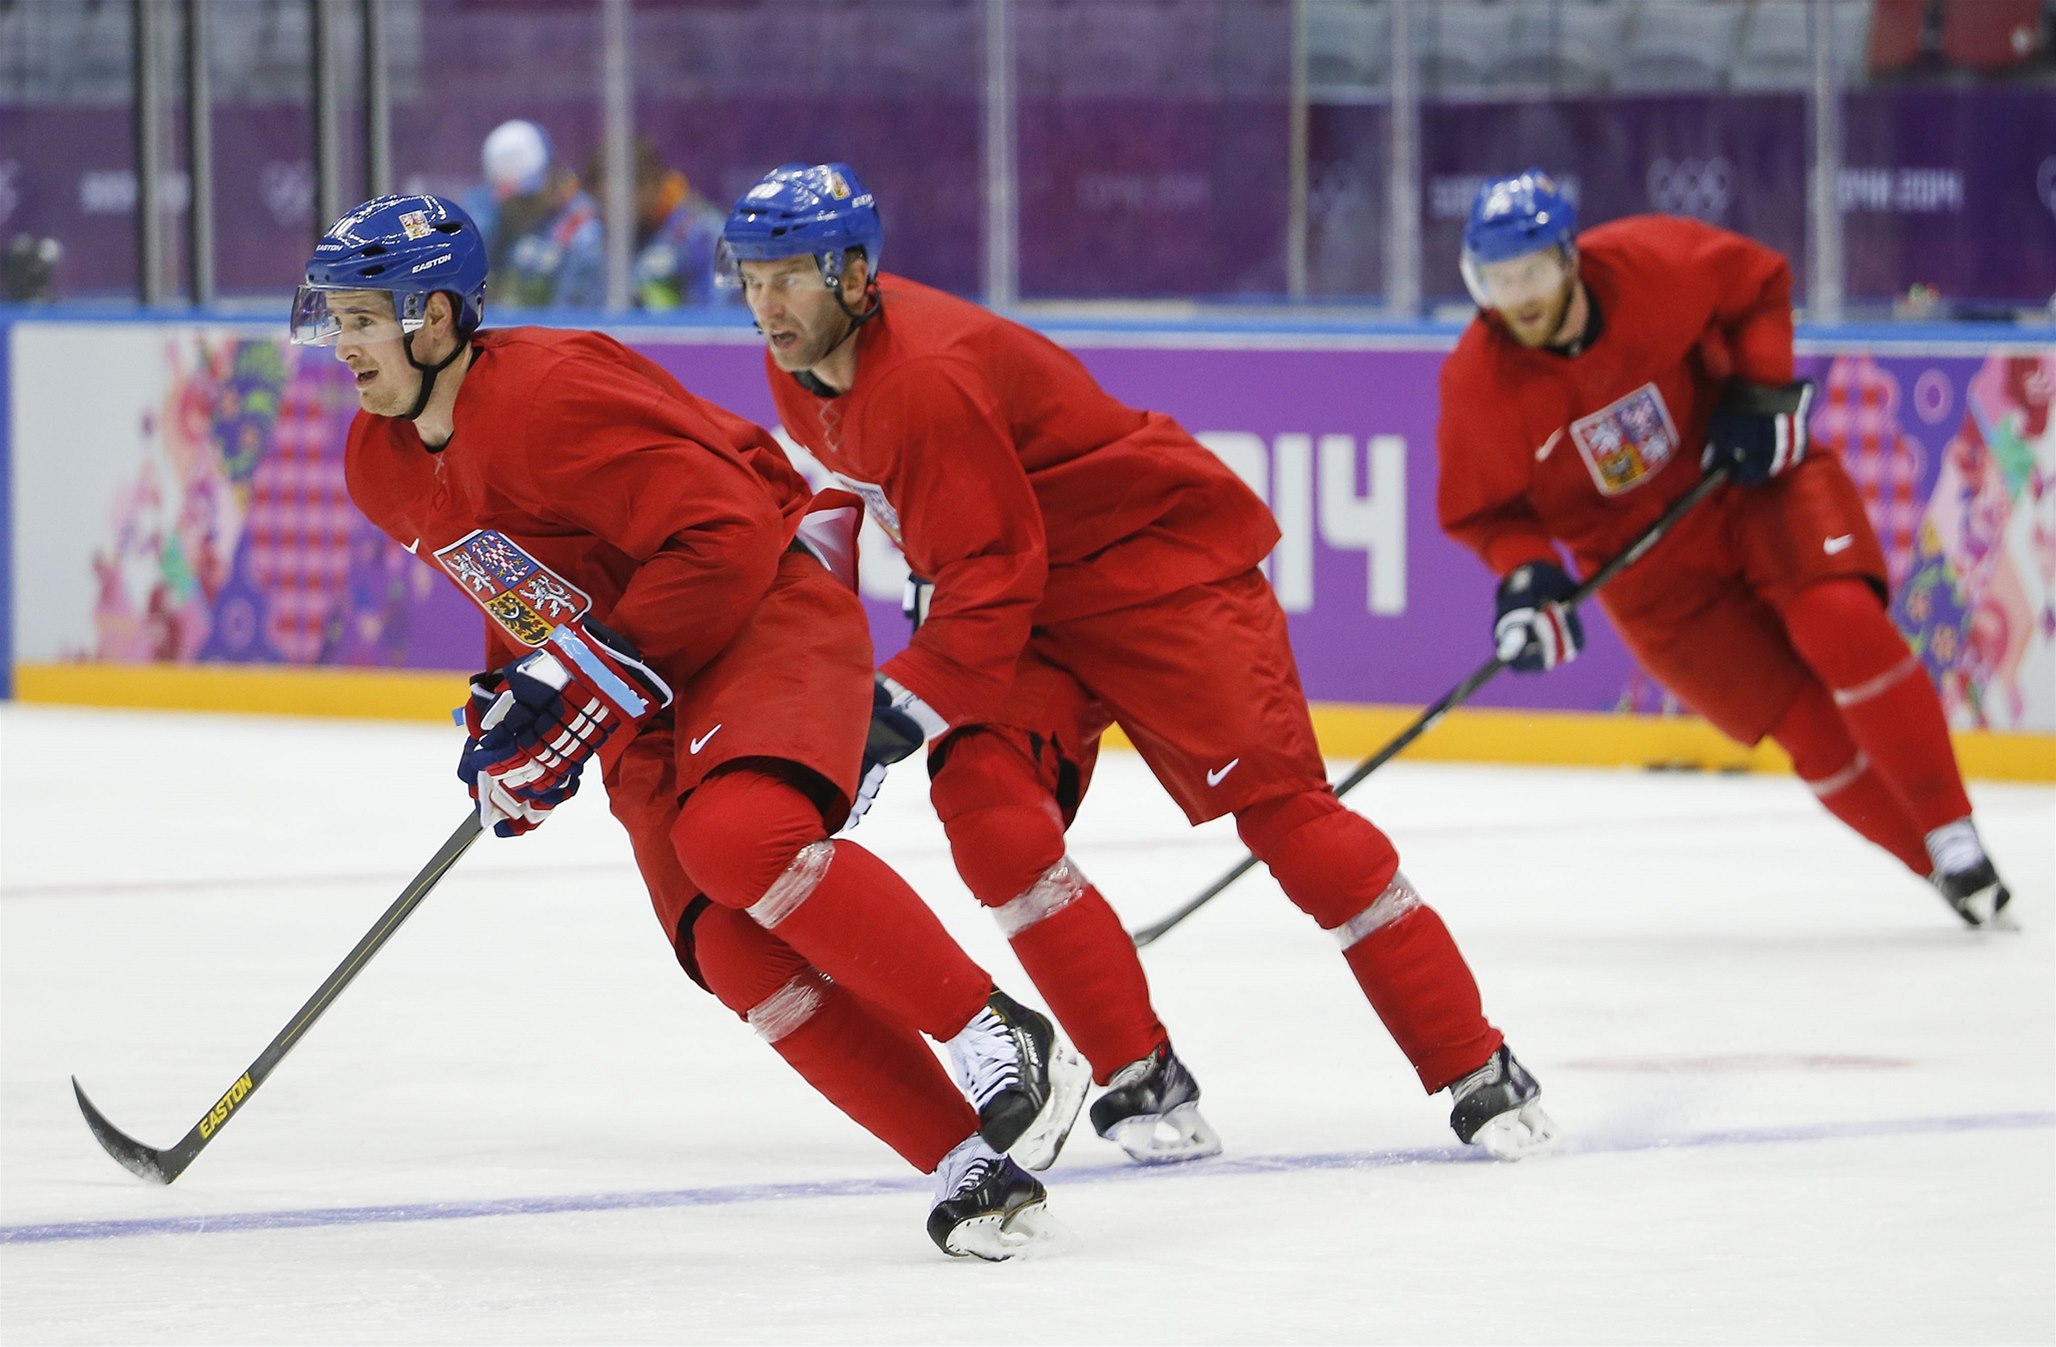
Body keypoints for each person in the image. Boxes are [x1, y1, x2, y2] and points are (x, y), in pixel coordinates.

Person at [289, 193, 1091, 1261]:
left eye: (360, 319)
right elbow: (518, 590)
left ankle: (992, 1026)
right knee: (724, 945)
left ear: (434, 317)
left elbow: (726, 533)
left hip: (756, 613)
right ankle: (970, 1166)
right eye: (334, 319)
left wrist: (579, 674)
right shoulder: (377, 463)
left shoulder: (549, 394)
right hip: (645, 678)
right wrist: (512, 718)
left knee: (737, 837)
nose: (341, 344)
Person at [719, 162, 1558, 1163]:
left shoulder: (924, 376)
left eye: (790, 277)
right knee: (990, 818)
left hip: (1159, 574)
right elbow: (920, 526)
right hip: (1033, 611)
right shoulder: (798, 364)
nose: (768, 304)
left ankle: (1474, 1060)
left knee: (1294, 827)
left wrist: (900, 707)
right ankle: (1137, 1072)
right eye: (752, 278)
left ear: (855, 275)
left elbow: (990, 567)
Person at [1436, 168, 2013, 928]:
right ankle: (1943, 869)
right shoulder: (1479, 381)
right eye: (1497, 280)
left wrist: (1759, 392)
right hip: (1647, 571)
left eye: (1533, 272)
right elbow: (1486, 512)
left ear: (1571, 256)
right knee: (1807, 728)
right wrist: (1530, 576)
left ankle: (1952, 828)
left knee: (1838, 619)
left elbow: (1759, 286)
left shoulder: (1652, 262)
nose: (1519, 297)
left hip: (1745, 482)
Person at [462, 119, 605, 309]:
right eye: (514, 198)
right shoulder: (491, 219)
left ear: (551, 174)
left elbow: (573, 313)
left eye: (528, 197)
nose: (520, 206)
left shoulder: (582, 231)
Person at [583, 138, 731, 310]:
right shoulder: (591, 235)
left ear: (650, 185)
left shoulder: (701, 233)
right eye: (602, 203)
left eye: (617, 204)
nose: (609, 214)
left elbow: (718, 312)